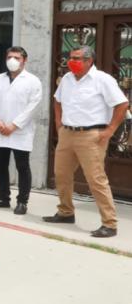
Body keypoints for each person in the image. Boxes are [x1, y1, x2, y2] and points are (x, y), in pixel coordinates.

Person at [46, 46, 127, 238]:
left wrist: (109, 130)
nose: (71, 61)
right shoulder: (67, 79)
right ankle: (66, 212)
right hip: (67, 133)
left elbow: (122, 104)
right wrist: (59, 123)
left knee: (96, 180)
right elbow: (57, 101)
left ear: (89, 61)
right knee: (61, 174)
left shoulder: (103, 80)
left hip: (92, 135)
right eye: (70, 57)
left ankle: (109, 223)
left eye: (76, 58)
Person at [0, 46, 43, 215]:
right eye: (10, 57)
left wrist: (14, 125)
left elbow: (33, 107)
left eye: (17, 57)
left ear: (25, 60)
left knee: (22, 166)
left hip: (19, 131)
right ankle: (3, 198)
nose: (13, 60)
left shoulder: (33, 81)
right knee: (0, 165)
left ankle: (22, 202)